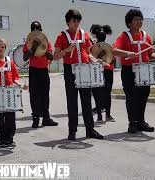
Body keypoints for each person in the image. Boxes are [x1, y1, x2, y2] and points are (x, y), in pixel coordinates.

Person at [53, 9, 103, 140]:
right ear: (68, 22)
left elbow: (88, 52)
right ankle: (72, 130)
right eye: (74, 21)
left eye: (78, 21)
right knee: (72, 101)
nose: (76, 23)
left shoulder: (84, 34)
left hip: (85, 69)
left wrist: (95, 60)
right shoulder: (62, 36)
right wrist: (66, 50)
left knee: (86, 100)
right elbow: (55, 56)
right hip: (70, 70)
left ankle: (90, 129)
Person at [112, 9, 155, 133]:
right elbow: (114, 50)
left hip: (145, 69)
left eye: (141, 19)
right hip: (129, 70)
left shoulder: (146, 36)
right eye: (136, 19)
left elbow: (150, 53)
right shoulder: (124, 36)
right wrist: (127, 53)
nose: (139, 21)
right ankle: (132, 123)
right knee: (131, 97)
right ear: (129, 22)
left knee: (143, 96)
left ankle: (141, 121)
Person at [0, 38, 27, 147]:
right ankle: (1, 139)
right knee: (0, 116)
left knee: (10, 116)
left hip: (9, 91)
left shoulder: (10, 61)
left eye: (2, 47)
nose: (0, 49)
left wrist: (21, 85)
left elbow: (15, 77)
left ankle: (10, 138)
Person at [23, 21, 58, 128]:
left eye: (37, 28)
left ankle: (46, 118)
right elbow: (25, 58)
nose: (35, 30)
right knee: (34, 95)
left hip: (43, 71)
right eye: (33, 28)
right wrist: (33, 47)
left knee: (45, 95)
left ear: (40, 30)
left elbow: (51, 57)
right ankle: (35, 119)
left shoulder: (46, 42)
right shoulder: (28, 43)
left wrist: (43, 47)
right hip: (33, 71)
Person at [90, 24, 115, 122]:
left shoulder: (93, 47)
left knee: (98, 93)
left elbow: (91, 59)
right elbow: (113, 61)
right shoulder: (109, 46)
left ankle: (100, 115)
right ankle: (107, 115)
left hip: (99, 71)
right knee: (106, 93)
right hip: (107, 71)